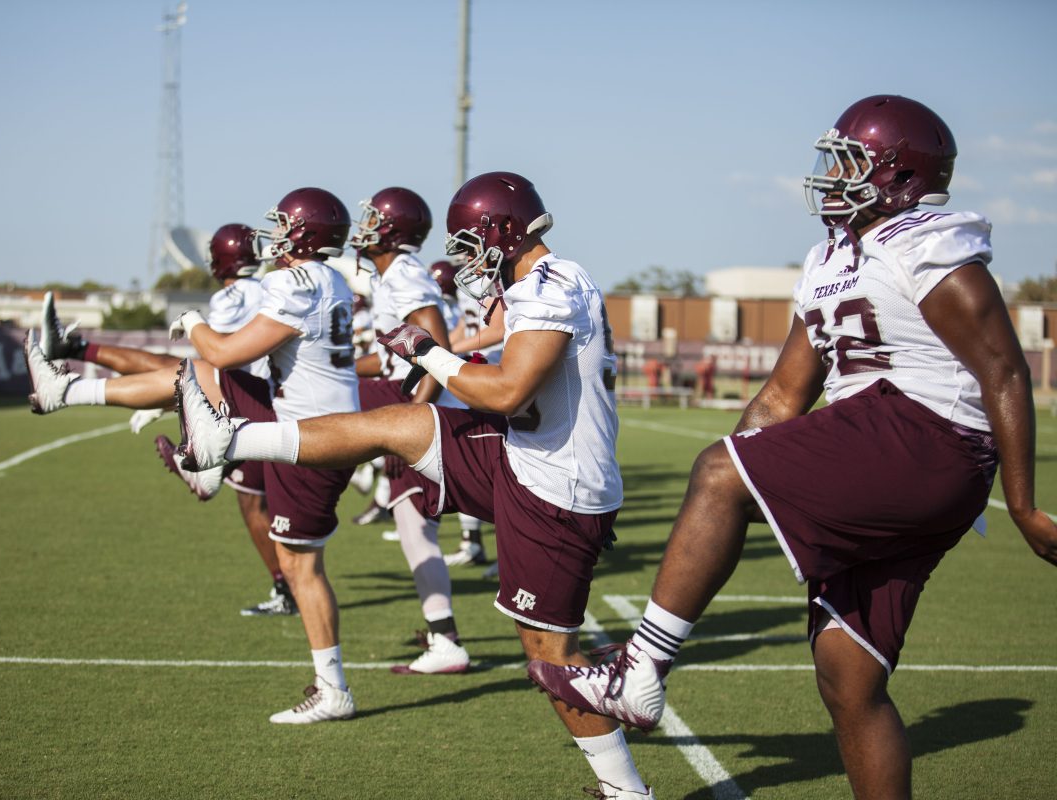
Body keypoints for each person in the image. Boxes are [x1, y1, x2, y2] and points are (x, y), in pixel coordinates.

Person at [526, 96, 1057, 800]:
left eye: (848, 162)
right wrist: (712, 505)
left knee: (719, 471)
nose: (830, 175)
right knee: (849, 678)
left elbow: (1003, 368)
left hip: (929, 436)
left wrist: (1022, 505)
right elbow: (781, 397)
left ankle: (641, 669)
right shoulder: (829, 259)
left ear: (896, 173)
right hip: (887, 451)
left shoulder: (927, 240)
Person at [174, 172, 653, 798]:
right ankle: (227, 440)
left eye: (466, 243)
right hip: (524, 454)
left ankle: (625, 787)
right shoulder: (539, 283)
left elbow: (508, 390)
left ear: (500, 232)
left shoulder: (552, 285)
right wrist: (436, 354)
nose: (460, 259)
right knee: (394, 425)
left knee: (546, 657)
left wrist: (428, 351)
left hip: (557, 489)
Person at [27, 187, 363, 723]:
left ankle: (334, 690)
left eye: (284, 225)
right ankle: (76, 396)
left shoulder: (296, 282)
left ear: (302, 232)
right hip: (311, 422)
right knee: (197, 377)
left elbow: (226, 349)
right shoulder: (331, 278)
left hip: (310, 438)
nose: (273, 234)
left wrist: (192, 321)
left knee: (301, 568)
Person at [39, 224, 296, 617]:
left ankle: (284, 587)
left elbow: (221, 362)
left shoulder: (230, 297)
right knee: (176, 369)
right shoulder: (272, 287)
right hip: (277, 400)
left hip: (250, 408)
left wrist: (171, 401)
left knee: (254, 506)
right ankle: (77, 348)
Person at [348, 186, 470, 675]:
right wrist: (341, 364)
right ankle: (445, 640)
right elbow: (393, 353)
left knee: (311, 411)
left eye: (374, 218)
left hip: (430, 411)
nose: (364, 226)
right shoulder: (388, 277)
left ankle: (229, 454)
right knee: (411, 524)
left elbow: (437, 350)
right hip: (417, 403)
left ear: (393, 229)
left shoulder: (402, 273)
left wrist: (411, 422)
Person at [431, 258, 498, 570]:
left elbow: (496, 331)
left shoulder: (498, 278)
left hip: (497, 376)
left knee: (499, 468)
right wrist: (436, 349)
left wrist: (448, 353)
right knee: (475, 463)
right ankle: (473, 542)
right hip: (475, 373)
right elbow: (467, 326)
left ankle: (518, 546)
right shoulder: (472, 279)